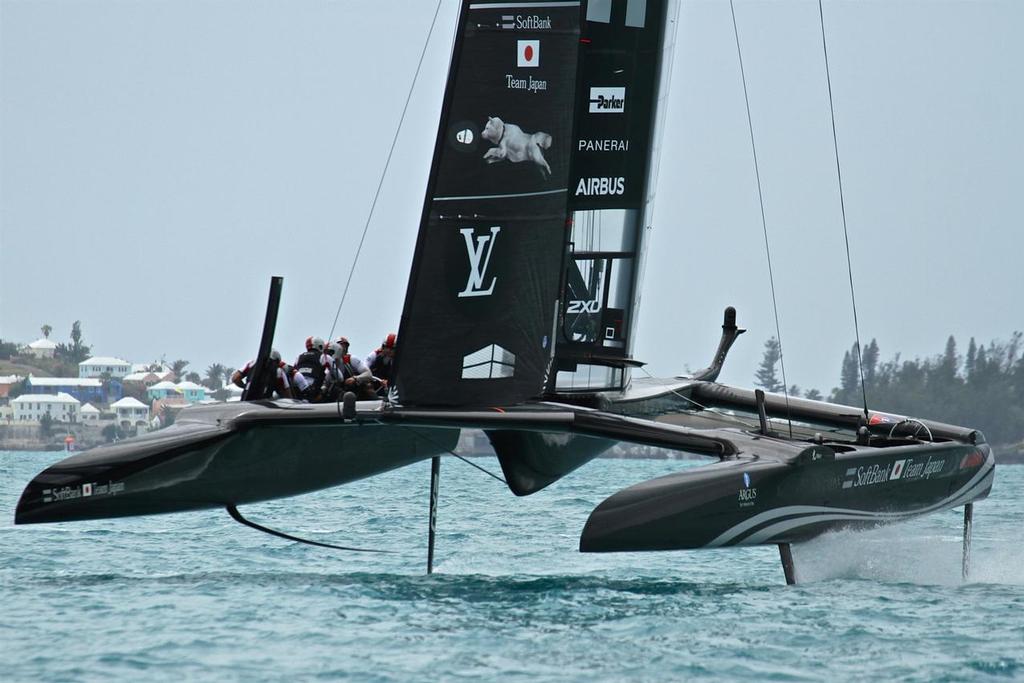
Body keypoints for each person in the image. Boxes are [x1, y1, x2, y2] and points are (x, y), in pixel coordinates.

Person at [294, 336, 326, 401]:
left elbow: (293, 371)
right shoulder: (323, 357)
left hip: (297, 391)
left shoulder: (299, 357)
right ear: (320, 346)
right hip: (314, 392)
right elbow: (340, 377)